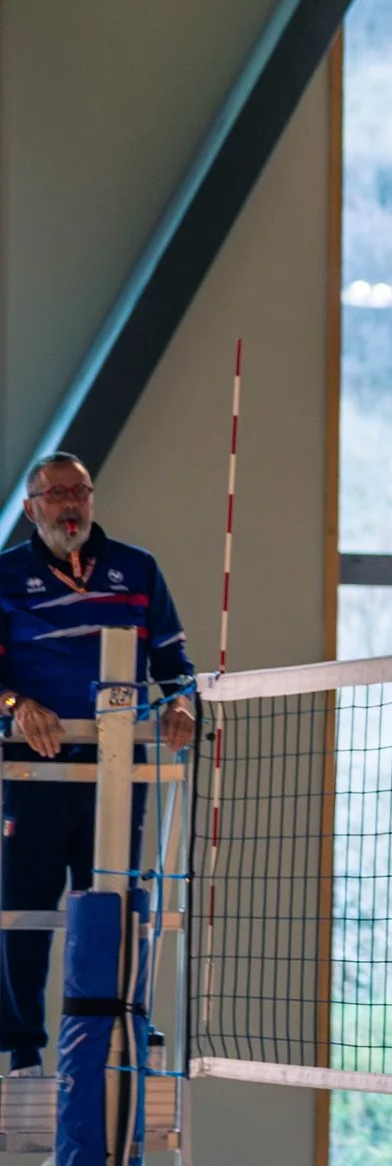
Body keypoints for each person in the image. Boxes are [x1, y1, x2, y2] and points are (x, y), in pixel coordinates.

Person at [0, 452, 195, 1074]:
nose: (70, 503)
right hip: (31, 766)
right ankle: (20, 1045)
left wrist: (181, 706)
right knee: (22, 904)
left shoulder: (136, 569)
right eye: (56, 494)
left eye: (79, 491)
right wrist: (15, 703)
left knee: (111, 899)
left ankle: (118, 1021)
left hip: (118, 766)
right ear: (32, 508)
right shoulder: (5, 575)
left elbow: (176, 667)